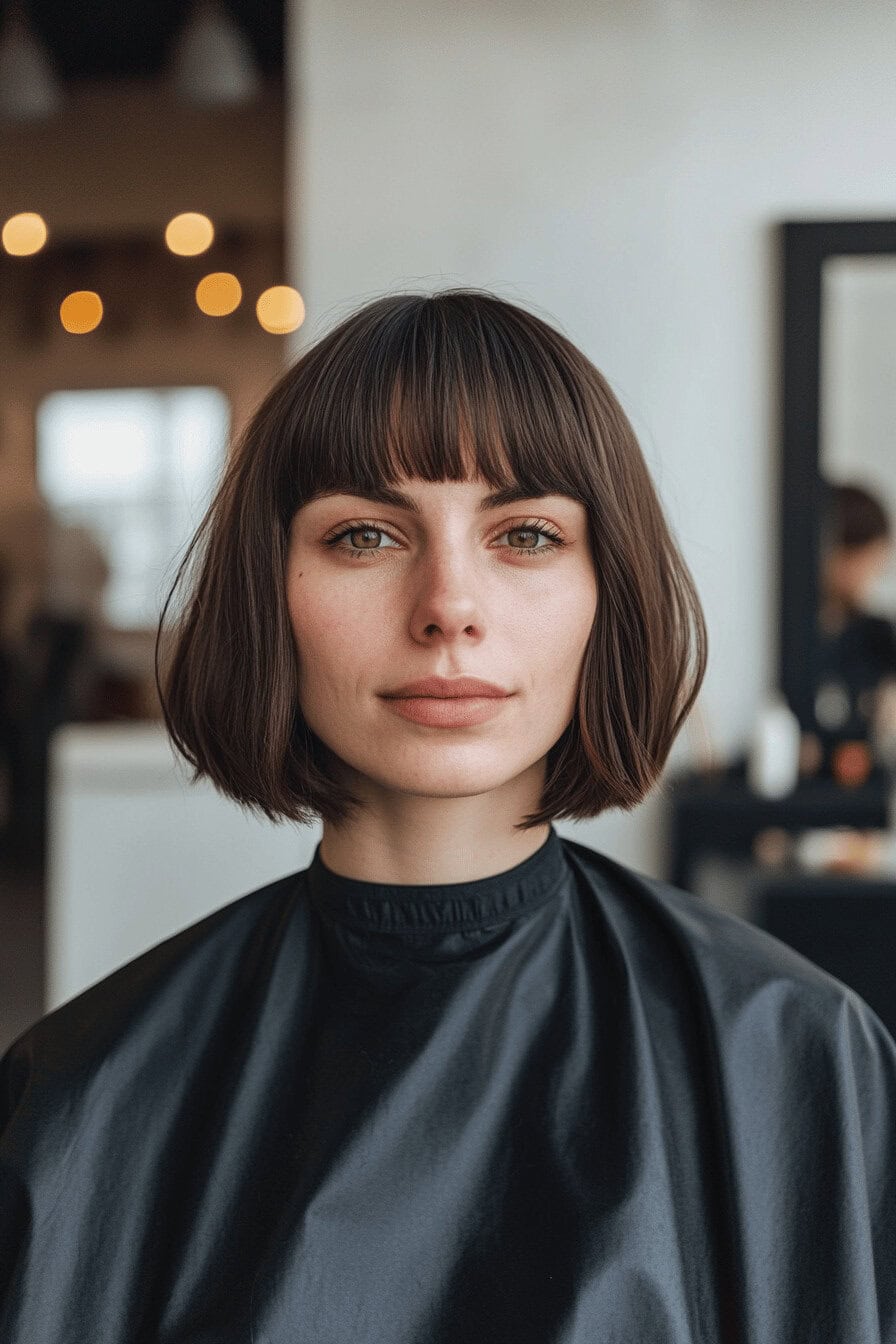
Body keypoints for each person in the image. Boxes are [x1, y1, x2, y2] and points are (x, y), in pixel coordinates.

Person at [1, 289, 894, 1343]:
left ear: (608, 591)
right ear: (267, 591)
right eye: (367, 535)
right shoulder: (81, 1097)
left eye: (523, 534)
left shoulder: (798, 1059)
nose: (449, 606)